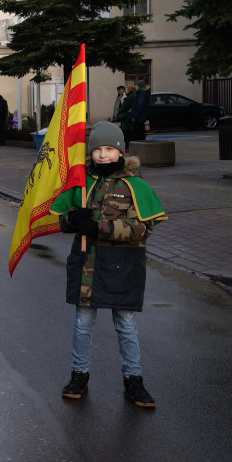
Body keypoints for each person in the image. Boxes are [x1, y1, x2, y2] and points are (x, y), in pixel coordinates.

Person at [51, 121, 167, 408]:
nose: (102, 155)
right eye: (98, 150)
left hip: (122, 268)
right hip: (86, 266)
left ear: (120, 152)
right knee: (82, 325)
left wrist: (99, 227)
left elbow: (142, 229)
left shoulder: (135, 186)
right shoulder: (81, 183)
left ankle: (134, 381)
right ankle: (79, 376)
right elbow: (64, 219)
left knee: (126, 325)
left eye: (109, 149)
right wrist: (71, 220)